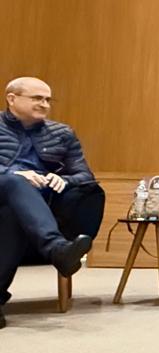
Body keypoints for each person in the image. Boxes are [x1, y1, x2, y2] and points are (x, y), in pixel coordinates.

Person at [0, 77, 94, 329]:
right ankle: (56, 249)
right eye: (37, 98)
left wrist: (64, 179)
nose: (44, 104)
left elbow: (85, 175)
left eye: (47, 100)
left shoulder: (62, 133)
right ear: (12, 99)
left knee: (13, 215)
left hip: (32, 203)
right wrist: (13, 174)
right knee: (14, 182)